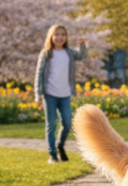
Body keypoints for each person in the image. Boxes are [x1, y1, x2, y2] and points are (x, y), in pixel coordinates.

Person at [34, 24, 88, 164]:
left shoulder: (69, 53)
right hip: (49, 94)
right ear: (51, 36)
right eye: (56, 34)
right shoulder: (46, 54)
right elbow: (39, 74)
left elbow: (82, 56)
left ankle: (60, 145)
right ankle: (52, 154)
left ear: (66, 37)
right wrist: (38, 95)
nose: (60, 37)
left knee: (67, 123)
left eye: (63, 34)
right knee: (51, 124)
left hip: (65, 94)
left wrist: (82, 45)